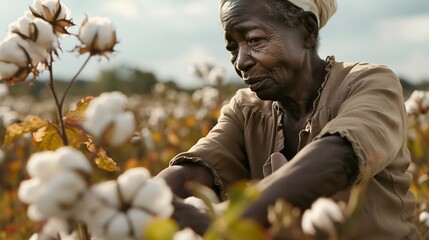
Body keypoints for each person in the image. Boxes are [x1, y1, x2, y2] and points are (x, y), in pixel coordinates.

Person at [156, 0, 420, 239]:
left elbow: (339, 157)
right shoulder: (246, 109)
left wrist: (231, 219)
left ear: (307, 31)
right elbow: (196, 170)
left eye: (255, 40)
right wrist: (138, 200)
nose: (240, 62)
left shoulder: (369, 83)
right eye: (233, 47)